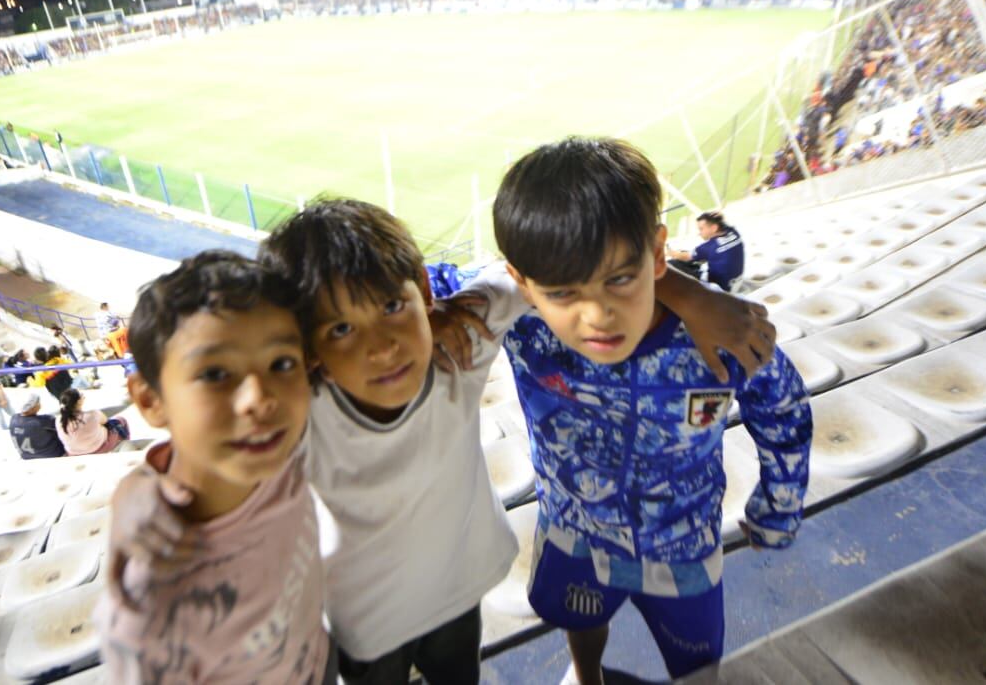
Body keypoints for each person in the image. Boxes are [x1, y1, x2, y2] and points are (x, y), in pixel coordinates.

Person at [107, 201, 770, 684]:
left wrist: (687, 291)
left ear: (424, 293)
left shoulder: (461, 337)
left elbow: (551, 267)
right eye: (340, 330)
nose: (382, 344)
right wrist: (139, 498)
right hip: (365, 623)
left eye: (393, 307)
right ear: (308, 348)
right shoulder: (297, 411)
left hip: (461, 596)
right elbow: (201, 459)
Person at [450, 138, 810, 684]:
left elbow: (784, 412)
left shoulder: (722, 337)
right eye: (563, 292)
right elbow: (421, 285)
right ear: (523, 285)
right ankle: (586, 674)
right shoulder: (525, 324)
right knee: (579, 624)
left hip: (684, 546)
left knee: (696, 663)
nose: (598, 315)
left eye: (621, 278)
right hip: (574, 534)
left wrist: (777, 507)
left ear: (660, 254)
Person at [97, 251, 332, 684]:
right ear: (149, 400)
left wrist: (131, 487)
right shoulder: (149, 611)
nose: (259, 399)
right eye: (214, 374)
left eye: (281, 363)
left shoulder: (281, 450)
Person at [668, 211, 745, 292]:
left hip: (720, 289)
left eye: (701, 229)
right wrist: (721, 217)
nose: (699, 233)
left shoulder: (709, 247)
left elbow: (686, 256)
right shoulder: (734, 233)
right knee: (702, 257)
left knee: (672, 263)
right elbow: (725, 225)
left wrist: (671, 253)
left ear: (714, 228)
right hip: (737, 281)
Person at [55, 389, 129, 455]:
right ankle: (127, 445)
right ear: (79, 402)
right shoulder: (92, 414)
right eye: (82, 395)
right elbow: (106, 421)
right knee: (120, 420)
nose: (84, 397)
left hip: (74, 453)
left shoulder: (58, 420)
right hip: (99, 448)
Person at [9, 394, 67, 460]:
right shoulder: (44, 420)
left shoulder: (14, 418)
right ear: (35, 407)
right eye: (38, 403)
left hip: (26, 456)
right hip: (51, 454)